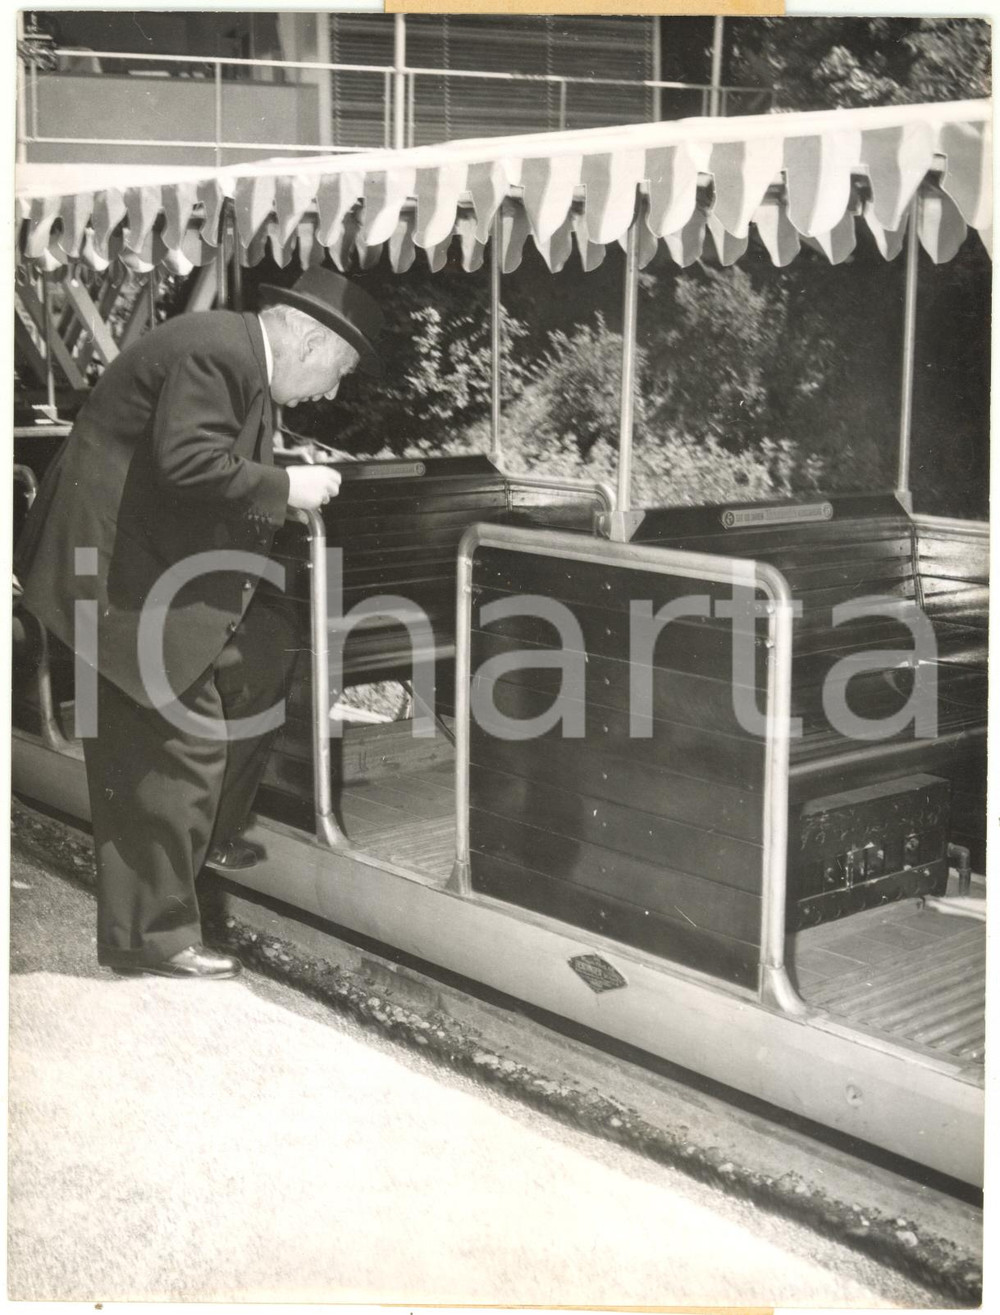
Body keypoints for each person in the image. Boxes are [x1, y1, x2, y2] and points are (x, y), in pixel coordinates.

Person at [15, 267, 383, 979]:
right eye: (336, 372)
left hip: (140, 555)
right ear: (307, 337)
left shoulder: (237, 354)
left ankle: (198, 840)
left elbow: (201, 454)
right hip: (112, 570)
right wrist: (287, 485)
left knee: (266, 657)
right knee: (176, 745)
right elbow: (187, 464)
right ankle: (152, 936)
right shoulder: (220, 354)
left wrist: (280, 473)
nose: (332, 391)